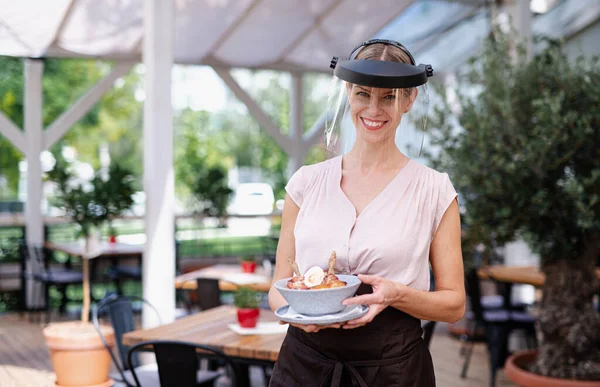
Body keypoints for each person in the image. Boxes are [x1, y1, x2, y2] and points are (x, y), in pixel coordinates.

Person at [268, 39, 465, 387]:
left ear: (409, 100)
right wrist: (299, 317)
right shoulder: (305, 183)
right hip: (304, 367)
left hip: (392, 371)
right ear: (348, 92)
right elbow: (278, 288)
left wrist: (396, 295)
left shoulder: (435, 191)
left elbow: (454, 305)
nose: (374, 109)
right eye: (363, 94)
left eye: (388, 97)